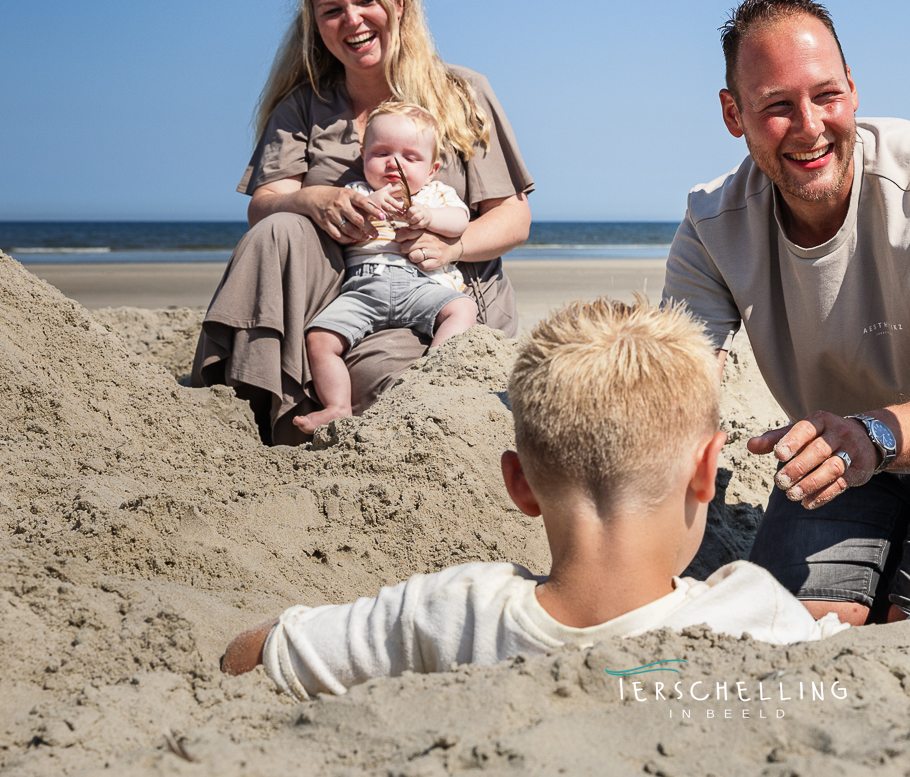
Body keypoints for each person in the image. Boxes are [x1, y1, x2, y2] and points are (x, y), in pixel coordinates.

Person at [220, 296, 847, 698]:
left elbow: (255, 653)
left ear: (520, 483)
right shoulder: (751, 613)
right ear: (707, 468)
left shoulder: (449, 610)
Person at [661, 0, 910, 627]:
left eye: (826, 95)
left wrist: (874, 437)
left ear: (853, 89)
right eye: (776, 106)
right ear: (733, 114)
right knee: (803, 630)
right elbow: (674, 383)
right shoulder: (711, 223)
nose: (810, 127)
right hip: (834, 452)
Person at [191, 0, 533, 444]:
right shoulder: (302, 108)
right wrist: (310, 199)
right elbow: (264, 206)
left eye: (366, 1)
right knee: (278, 228)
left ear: (399, 2)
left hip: (437, 300)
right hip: (342, 298)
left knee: (391, 389)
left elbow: (513, 217)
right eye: (332, 10)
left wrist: (451, 246)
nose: (352, 20)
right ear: (315, 23)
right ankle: (231, 418)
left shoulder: (462, 92)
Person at [294, 102, 482, 434]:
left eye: (411, 157)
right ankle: (337, 406)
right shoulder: (356, 192)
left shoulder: (437, 194)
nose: (395, 164)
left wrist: (428, 217)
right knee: (320, 337)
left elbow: (460, 221)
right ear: (363, 155)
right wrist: (369, 207)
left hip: (421, 284)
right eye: (382, 153)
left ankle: (433, 374)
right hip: (365, 287)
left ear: (432, 169)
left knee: (463, 308)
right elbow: (338, 221)